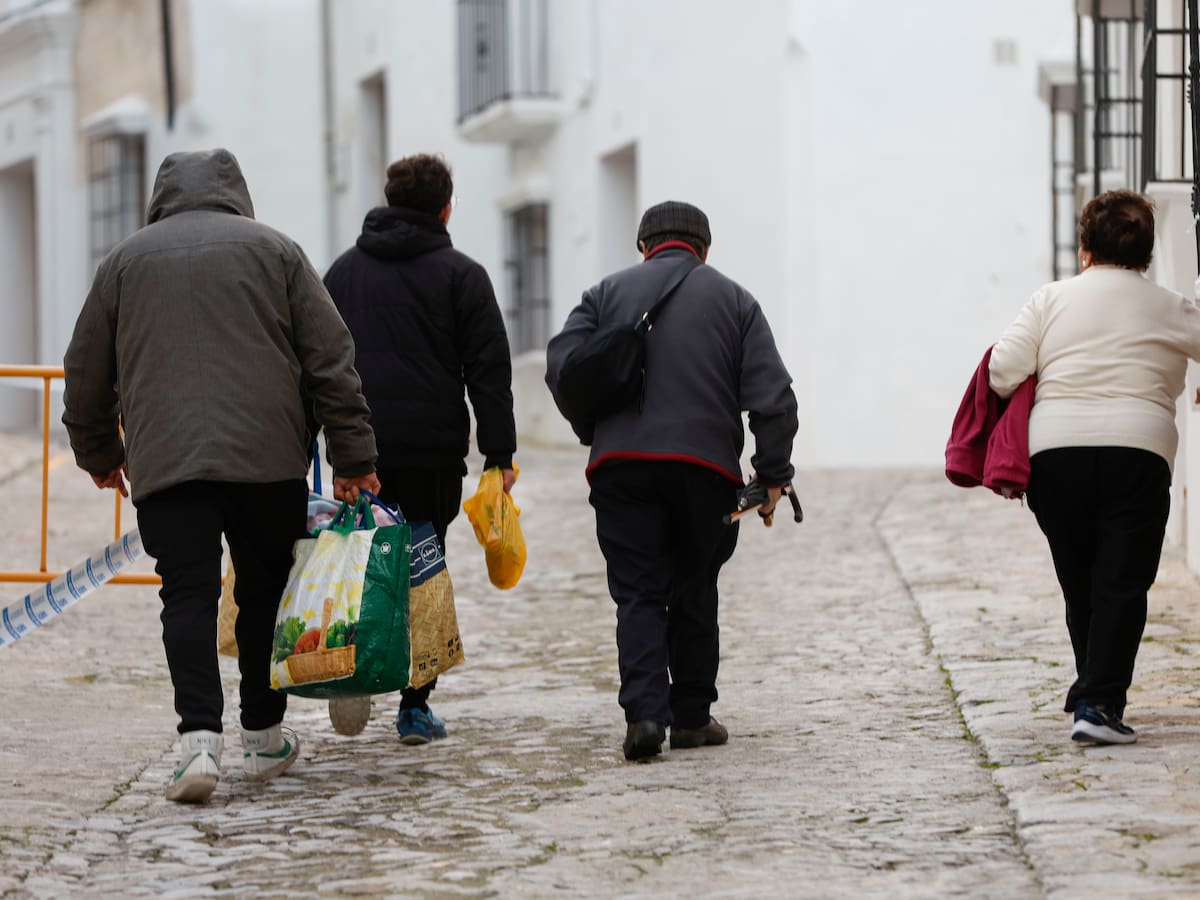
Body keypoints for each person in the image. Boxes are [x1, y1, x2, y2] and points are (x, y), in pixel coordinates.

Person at [62, 148, 381, 802]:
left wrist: (100, 454)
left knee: (187, 593)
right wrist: (353, 458)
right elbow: (330, 358)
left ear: (161, 196)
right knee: (262, 591)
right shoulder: (278, 251)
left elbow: (85, 370)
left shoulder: (122, 262)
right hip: (267, 461)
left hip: (168, 462)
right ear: (236, 191)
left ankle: (198, 743)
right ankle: (264, 738)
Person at [545, 200, 798, 761]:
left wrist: (596, 429)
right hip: (704, 471)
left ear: (643, 247)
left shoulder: (605, 294)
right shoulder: (735, 300)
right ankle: (689, 717)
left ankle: (643, 716)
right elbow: (773, 399)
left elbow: (561, 368)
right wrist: (773, 471)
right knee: (694, 584)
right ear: (704, 249)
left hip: (621, 466)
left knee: (636, 589)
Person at [989, 189, 1200, 746]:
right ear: (1148, 255)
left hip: (1056, 458)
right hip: (1138, 452)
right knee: (1122, 584)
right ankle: (1098, 701)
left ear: (1085, 249)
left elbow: (1003, 370)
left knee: (1081, 580)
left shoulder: (1049, 300)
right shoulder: (1169, 304)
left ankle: (1093, 693)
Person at [323, 152, 516, 744]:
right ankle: (414, 706)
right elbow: (489, 372)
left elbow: (316, 362)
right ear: (445, 207)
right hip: (432, 456)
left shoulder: (342, 274)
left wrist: (322, 444)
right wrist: (499, 455)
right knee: (420, 574)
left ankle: (351, 673)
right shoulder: (463, 276)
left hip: (361, 456)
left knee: (357, 569)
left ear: (387, 200)